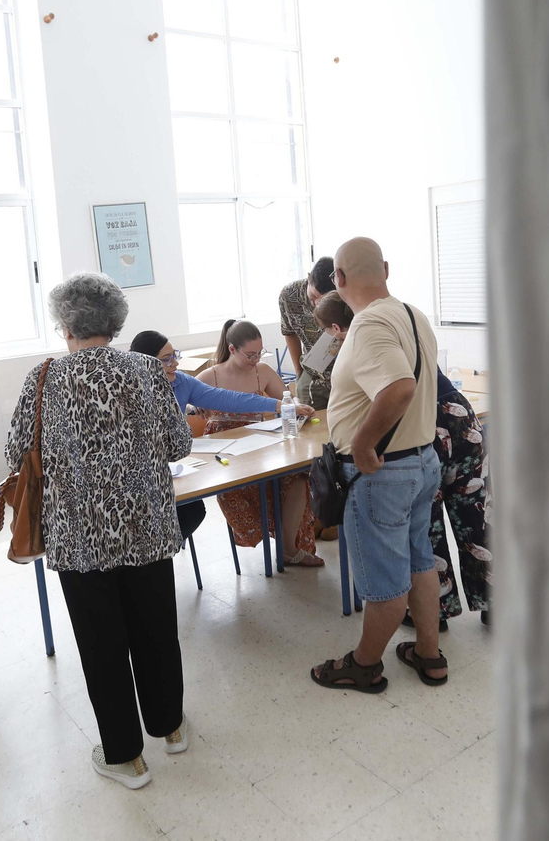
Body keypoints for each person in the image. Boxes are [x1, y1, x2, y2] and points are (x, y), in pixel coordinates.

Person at [5, 273, 193, 791]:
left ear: (65, 324)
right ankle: (170, 728)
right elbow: (179, 445)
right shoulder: (149, 371)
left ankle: (126, 757)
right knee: (157, 630)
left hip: (80, 536)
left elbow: (17, 454)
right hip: (149, 527)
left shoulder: (44, 379)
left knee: (101, 644)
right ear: (115, 321)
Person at [310, 237, 447, 692]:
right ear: (385, 268)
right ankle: (429, 654)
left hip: (384, 471)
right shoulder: (412, 313)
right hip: (421, 461)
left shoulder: (367, 325)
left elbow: (399, 387)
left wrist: (365, 444)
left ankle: (364, 664)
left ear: (339, 279)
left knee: (387, 582)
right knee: (419, 560)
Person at [315, 292, 491, 631]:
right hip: (460, 415)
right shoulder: (398, 320)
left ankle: (434, 612)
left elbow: (390, 395)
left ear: (337, 328)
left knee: (427, 525)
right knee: (476, 513)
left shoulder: (364, 339)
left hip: (426, 427)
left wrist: (363, 443)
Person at [127, 330, 315, 542]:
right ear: (144, 363)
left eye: (175, 356)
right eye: (166, 360)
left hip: (169, 471)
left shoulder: (181, 382)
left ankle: (161, 550)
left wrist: (280, 404)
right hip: (137, 476)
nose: (175, 364)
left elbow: (229, 399)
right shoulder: (127, 390)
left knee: (194, 511)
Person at [196, 320, 325, 567]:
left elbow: (286, 400)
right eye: (250, 355)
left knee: (297, 478)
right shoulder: (210, 375)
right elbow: (184, 406)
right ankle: (271, 541)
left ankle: (288, 548)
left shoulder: (262, 371)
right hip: (226, 454)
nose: (255, 360)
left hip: (260, 444)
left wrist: (298, 407)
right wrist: (196, 406)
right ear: (232, 349)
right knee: (241, 486)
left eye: (259, 353)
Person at [278, 256, 338, 410]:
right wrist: (298, 371)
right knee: (307, 421)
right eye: (313, 297)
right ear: (309, 277)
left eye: (323, 299)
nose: (317, 303)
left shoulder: (343, 298)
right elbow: (289, 332)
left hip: (341, 370)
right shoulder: (289, 296)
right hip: (311, 370)